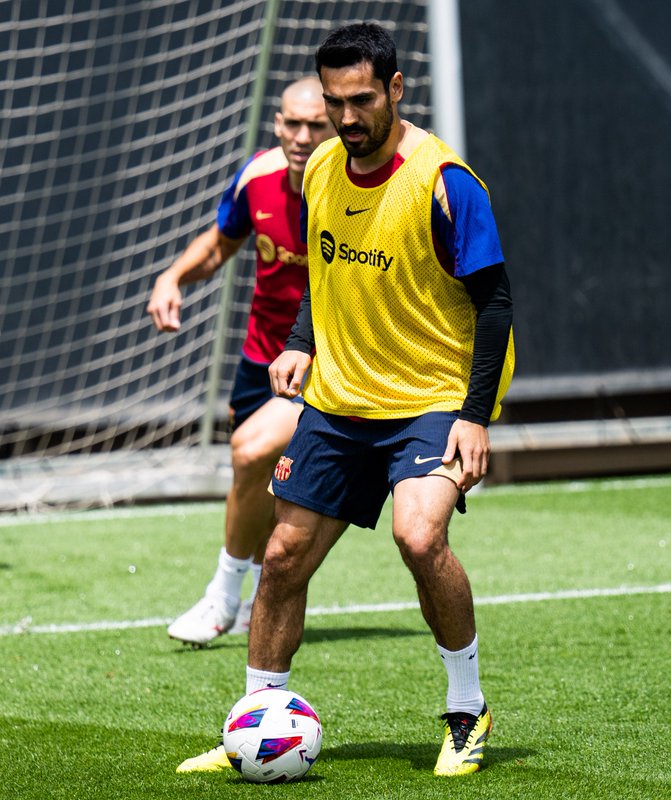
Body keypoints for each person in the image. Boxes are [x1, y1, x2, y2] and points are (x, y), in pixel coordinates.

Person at [176, 22, 515, 777]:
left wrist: (476, 416)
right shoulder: (323, 167)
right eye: (336, 102)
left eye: (362, 100)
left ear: (395, 89)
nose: (348, 117)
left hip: (433, 396)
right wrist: (300, 340)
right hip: (341, 400)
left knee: (419, 537)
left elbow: (494, 305)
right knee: (284, 555)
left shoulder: (445, 182)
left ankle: (468, 711)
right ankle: (254, 724)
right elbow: (322, 273)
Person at [148, 77, 335, 647]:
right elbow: (220, 244)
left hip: (327, 366)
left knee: (251, 452)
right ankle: (260, 594)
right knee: (257, 482)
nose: (302, 137)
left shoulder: (354, 189)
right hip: (260, 361)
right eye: (292, 124)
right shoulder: (256, 176)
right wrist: (173, 276)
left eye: (316, 125)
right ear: (277, 124)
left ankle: (221, 597)